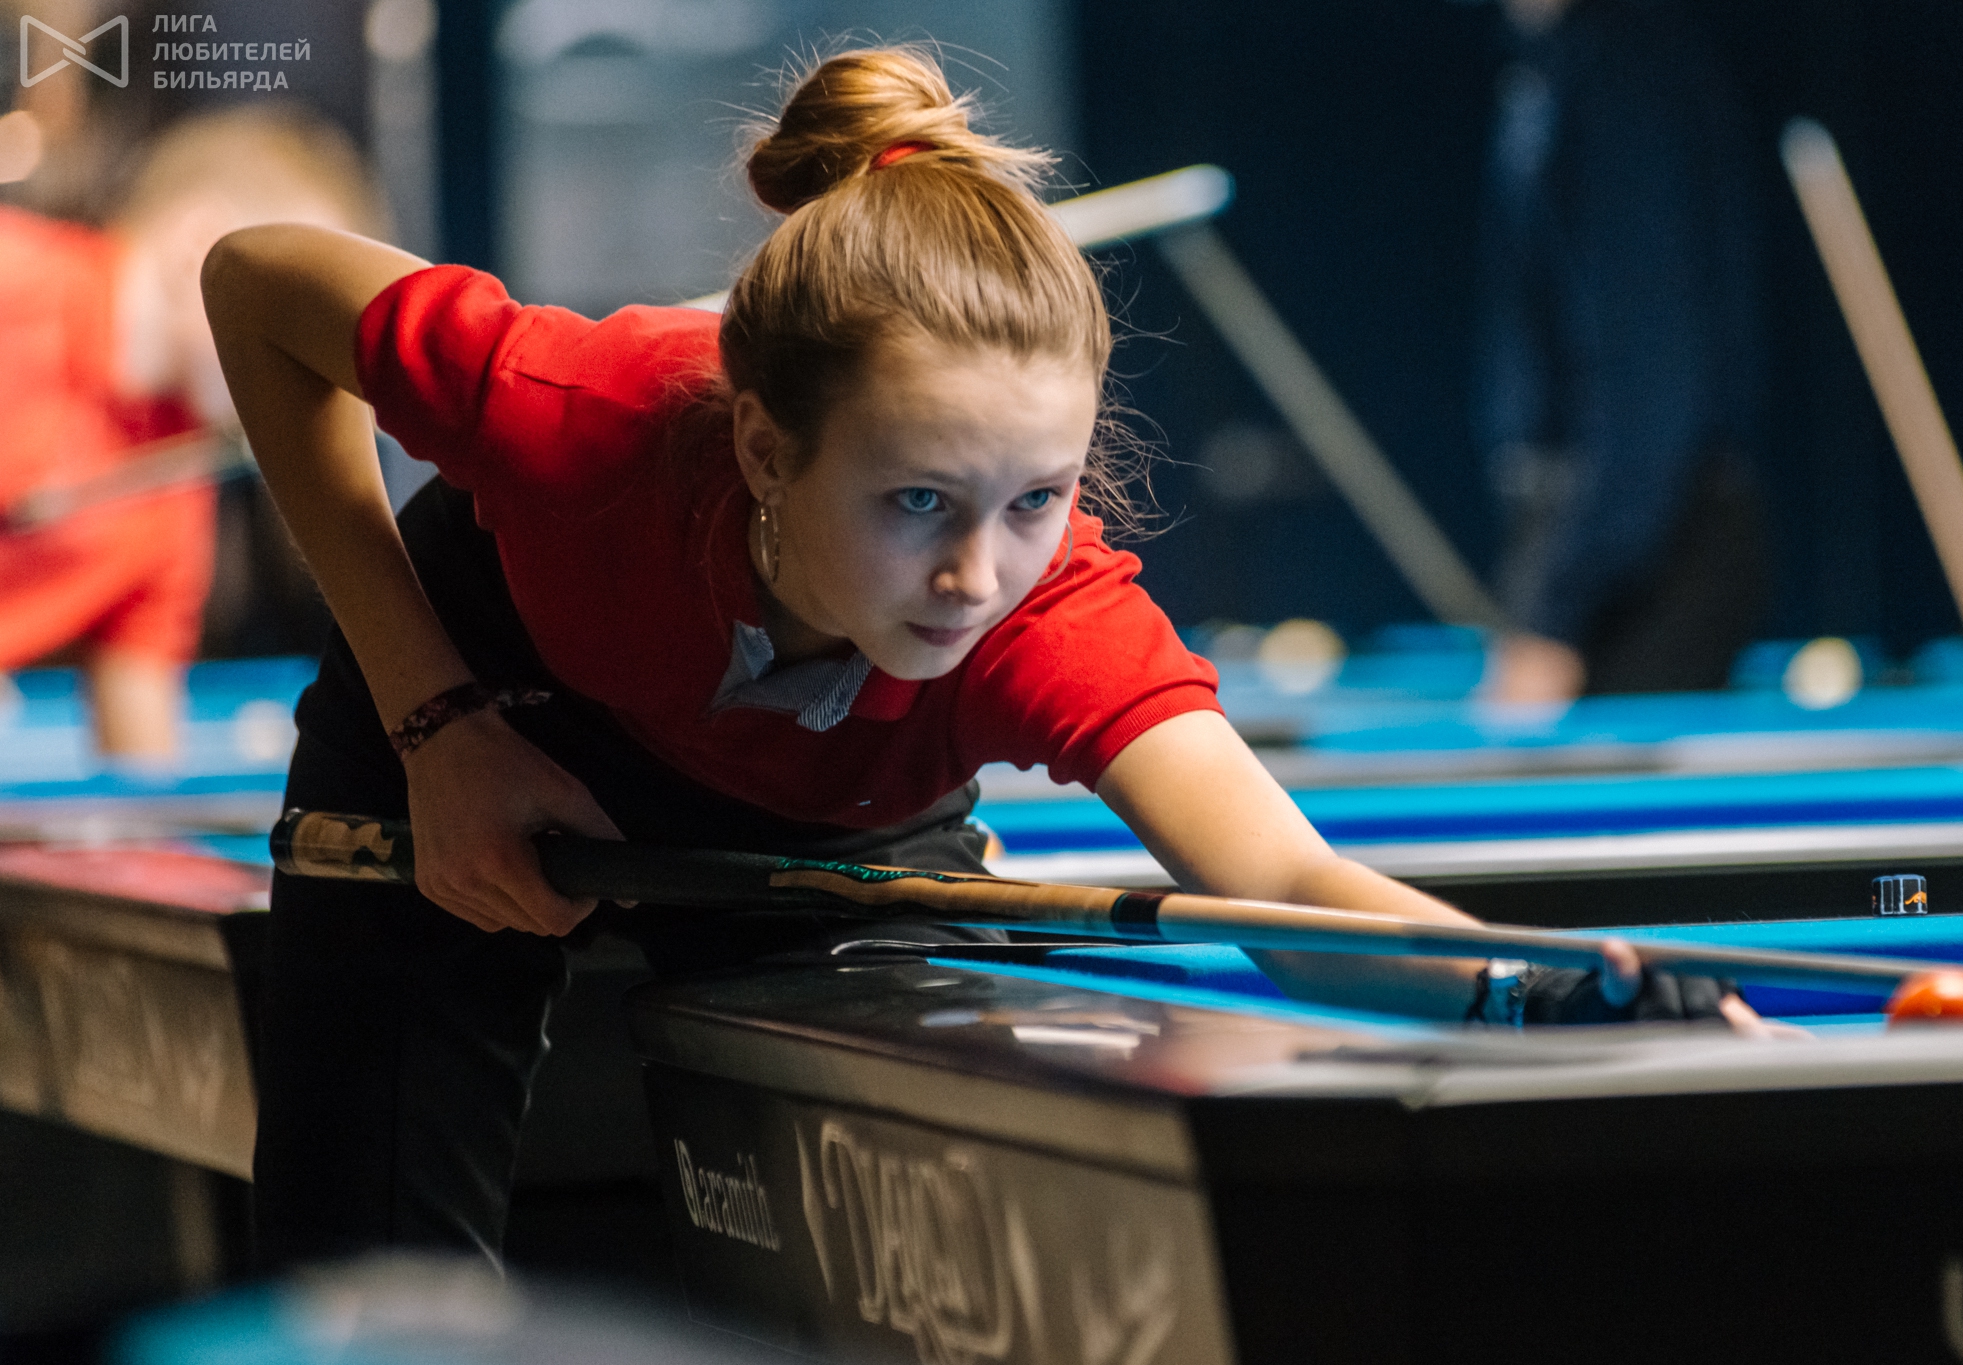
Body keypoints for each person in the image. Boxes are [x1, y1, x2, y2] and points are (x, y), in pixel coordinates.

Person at [203, 49, 1763, 1271]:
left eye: (1036, 499)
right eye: (915, 502)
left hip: (836, 813)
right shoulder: (587, 411)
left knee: (911, 1260)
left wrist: (1561, 995)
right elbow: (254, 281)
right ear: (765, 447)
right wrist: (435, 718)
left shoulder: (1038, 611)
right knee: (360, 1273)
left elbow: (1286, 884)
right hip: (489, 696)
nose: (973, 576)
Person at [0, 107, 383, 758]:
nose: (314, 367)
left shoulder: (176, 490)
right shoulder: (17, 279)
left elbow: (143, 766)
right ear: (195, 246)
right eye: (298, 311)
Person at [1473, 0, 1765, 704]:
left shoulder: (1628, 71)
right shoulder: (1556, 65)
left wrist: (1557, 617)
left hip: (1649, 556)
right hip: (1602, 536)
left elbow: (1651, 380)